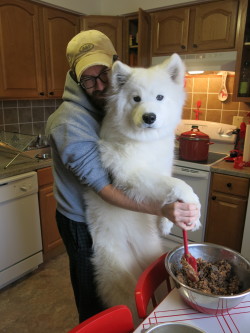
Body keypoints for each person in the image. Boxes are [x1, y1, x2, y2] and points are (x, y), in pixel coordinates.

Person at [45, 30, 200, 323]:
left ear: (114, 67)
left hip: (124, 212)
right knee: (96, 298)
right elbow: (106, 187)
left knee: (136, 280)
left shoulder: (112, 101)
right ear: (75, 77)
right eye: (88, 79)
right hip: (82, 218)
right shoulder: (67, 121)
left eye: (103, 73)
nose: (99, 85)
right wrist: (163, 207)